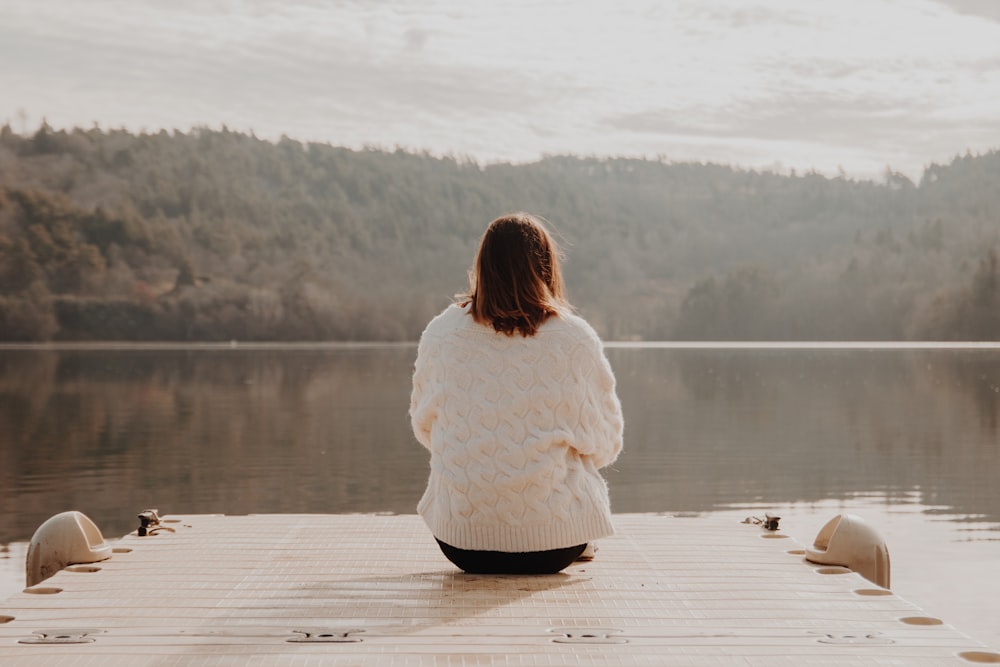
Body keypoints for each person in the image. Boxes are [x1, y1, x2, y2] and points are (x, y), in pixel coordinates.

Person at [409, 212, 624, 574]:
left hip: (461, 544)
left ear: (482, 266)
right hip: (555, 546)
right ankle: (578, 534)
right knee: (577, 457)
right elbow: (606, 442)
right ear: (547, 267)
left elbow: (424, 425)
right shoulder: (575, 337)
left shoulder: (442, 331)